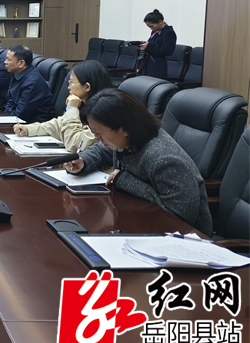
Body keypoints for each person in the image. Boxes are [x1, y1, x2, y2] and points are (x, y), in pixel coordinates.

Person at [66, 89, 212, 235]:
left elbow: (178, 216)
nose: (98, 139)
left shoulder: (165, 159)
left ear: (124, 128)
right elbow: (102, 150)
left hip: (180, 237)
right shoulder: (128, 139)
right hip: (137, 220)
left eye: (99, 134)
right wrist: (84, 160)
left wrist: (124, 180)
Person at [12, 59, 111, 152]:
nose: (68, 87)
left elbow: (73, 144)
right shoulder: (84, 105)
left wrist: (72, 109)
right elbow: (59, 125)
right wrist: (29, 129)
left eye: (72, 82)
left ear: (87, 87)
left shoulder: (103, 113)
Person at [3, 45, 53, 122]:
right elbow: (11, 101)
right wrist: (6, 115)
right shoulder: (17, 74)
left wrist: (7, 117)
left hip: (33, 124)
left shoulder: (32, 83)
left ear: (21, 63)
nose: (5, 62)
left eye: (8, 60)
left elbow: (21, 115)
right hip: (17, 119)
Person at [138, 9, 177, 79]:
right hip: (148, 63)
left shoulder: (169, 33)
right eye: (149, 27)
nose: (151, 29)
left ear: (160, 22)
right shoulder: (155, 31)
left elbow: (168, 51)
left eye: (152, 26)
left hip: (157, 65)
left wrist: (149, 46)